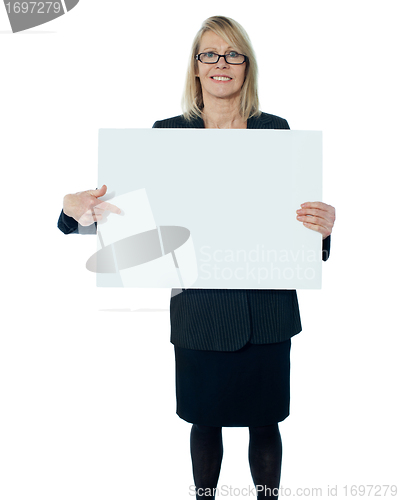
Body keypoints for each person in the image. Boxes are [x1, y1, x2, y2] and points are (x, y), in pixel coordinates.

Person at [58, 16, 335, 500]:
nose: (221, 64)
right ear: (196, 67)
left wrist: (322, 229)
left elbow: (295, 228)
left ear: (247, 67)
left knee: (265, 422)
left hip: (266, 313)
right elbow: (133, 227)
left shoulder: (277, 131)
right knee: (203, 422)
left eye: (232, 54)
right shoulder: (165, 135)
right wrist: (73, 213)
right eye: (210, 54)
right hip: (200, 312)